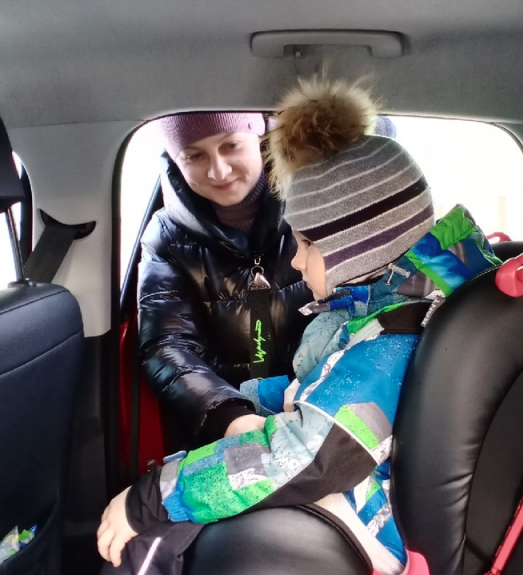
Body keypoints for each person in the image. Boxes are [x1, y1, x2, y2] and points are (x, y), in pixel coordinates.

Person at [99, 76, 500, 574]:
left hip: (371, 512)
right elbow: (320, 394)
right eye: (194, 155)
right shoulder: (385, 310)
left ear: (357, 251)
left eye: (307, 245)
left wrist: (152, 499)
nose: (297, 260)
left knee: (155, 535)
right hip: (348, 469)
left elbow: (310, 453)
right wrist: (246, 404)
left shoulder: (390, 340)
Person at [137, 112, 313, 452]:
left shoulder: (318, 203)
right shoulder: (165, 237)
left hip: (318, 409)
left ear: (259, 137)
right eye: (194, 156)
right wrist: (229, 416)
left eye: (230, 145)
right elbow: (167, 345)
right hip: (225, 429)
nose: (218, 171)